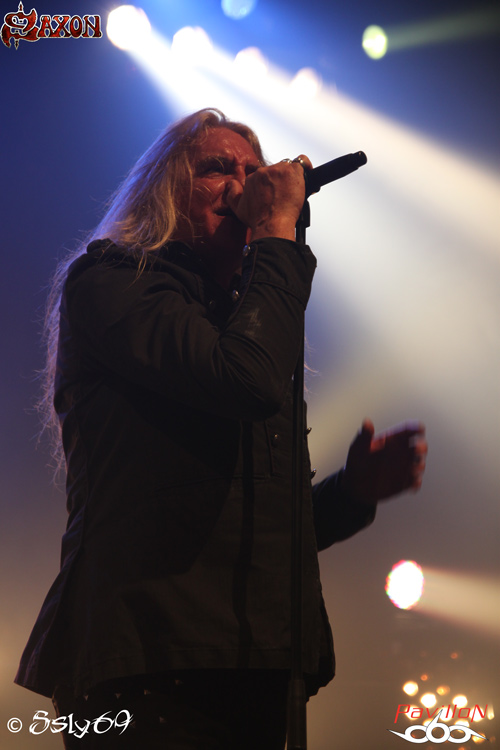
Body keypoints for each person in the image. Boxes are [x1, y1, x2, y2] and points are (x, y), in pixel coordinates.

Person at [15, 108, 427, 749]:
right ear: (162, 193)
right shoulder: (113, 284)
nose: (244, 184)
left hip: (250, 664)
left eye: (255, 171)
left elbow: (249, 529)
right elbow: (247, 381)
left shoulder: (239, 318)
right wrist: (275, 232)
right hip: (145, 664)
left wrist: (354, 492)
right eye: (217, 168)